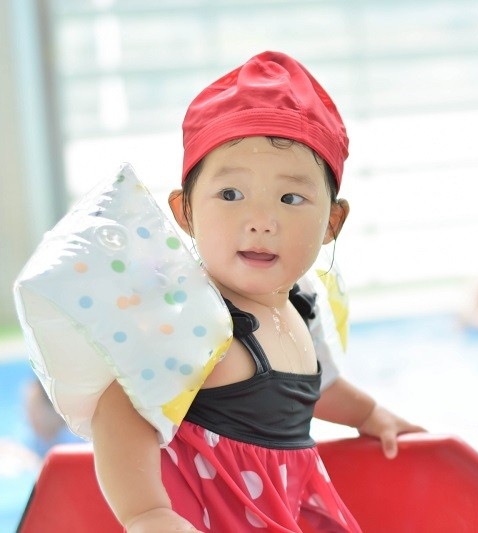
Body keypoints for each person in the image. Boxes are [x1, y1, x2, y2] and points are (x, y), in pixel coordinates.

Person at [91, 51, 423, 532]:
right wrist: (146, 513)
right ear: (185, 213)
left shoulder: (301, 306)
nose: (262, 221)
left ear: (332, 222)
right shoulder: (197, 318)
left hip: (281, 514)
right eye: (230, 194)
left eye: (291, 198)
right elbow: (120, 404)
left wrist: (370, 415)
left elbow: (317, 388)